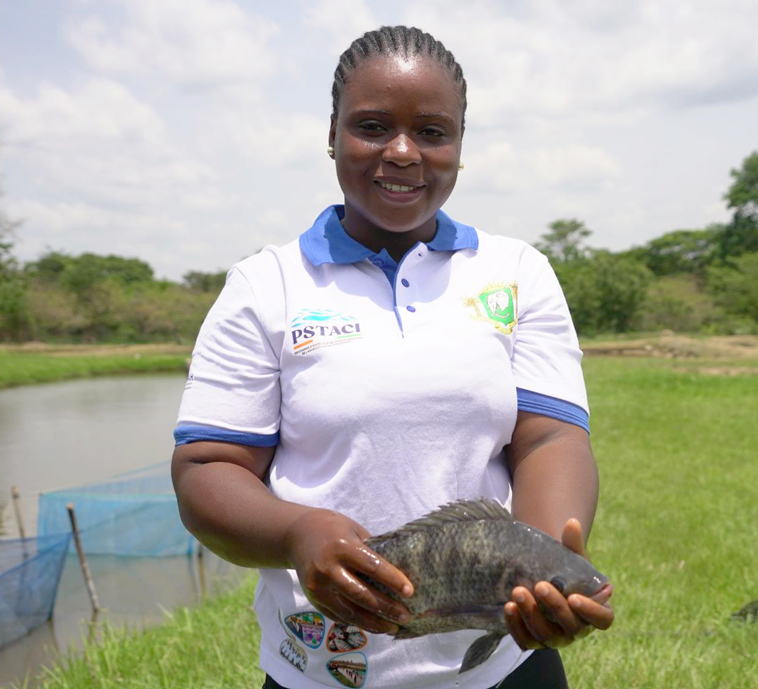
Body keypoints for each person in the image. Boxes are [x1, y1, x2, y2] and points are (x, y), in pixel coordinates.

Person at [172, 25, 613, 689]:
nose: (403, 152)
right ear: (332, 133)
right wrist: (297, 532)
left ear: (460, 146)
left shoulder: (516, 272)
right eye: (373, 126)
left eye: (433, 132)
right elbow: (209, 467)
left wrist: (541, 569)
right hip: (322, 673)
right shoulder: (265, 286)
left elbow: (549, 435)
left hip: (504, 671)